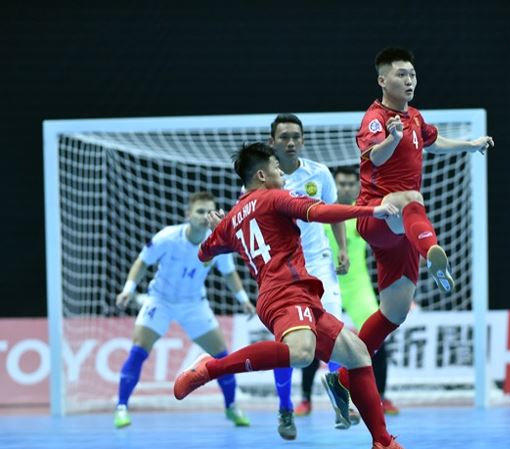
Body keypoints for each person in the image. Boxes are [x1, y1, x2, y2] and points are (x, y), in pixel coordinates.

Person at [173, 142, 404, 449]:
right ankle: (211, 368)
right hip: (285, 293)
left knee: (358, 354)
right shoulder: (274, 197)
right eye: (276, 168)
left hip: (296, 294)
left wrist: (225, 229)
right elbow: (319, 211)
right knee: (302, 353)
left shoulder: (233, 217)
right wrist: (370, 210)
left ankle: (383, 442)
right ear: (261, 175)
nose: (282, 173)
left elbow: (204, 253)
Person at [324, 47, 494, 413]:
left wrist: (470, 145)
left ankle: (342, 379)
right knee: (410, 197)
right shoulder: (375, 118)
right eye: (401, 74)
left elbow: (435, 142)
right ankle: (432, 251)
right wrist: (393, 138)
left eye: (413, 74)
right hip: (376, 214)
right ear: (382, 80)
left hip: (401, 232)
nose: (409, 80)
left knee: (394, 313)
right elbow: (374, 157)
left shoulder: (414, 116)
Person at [114, 191, 255, 429]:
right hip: (160, 301)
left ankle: (232, 407)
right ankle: (121, 407)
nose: (205, 216)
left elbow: (229, 273)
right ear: (188, 214)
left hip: (194, 304)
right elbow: (142, 262)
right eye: (200, 211)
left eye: (209, 211)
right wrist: (129, 289)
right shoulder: (168, 237)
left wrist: (243, 299)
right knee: (138, 351)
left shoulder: (217, 241)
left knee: (223, 356)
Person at [267, 113, 356, 438]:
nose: (291, 142)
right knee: (285, 344)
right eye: (284, 137)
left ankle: (340, 401)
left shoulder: (319, 173)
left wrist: (342, 248)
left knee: (334, 329)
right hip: (281, 270)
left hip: (318, 262)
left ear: (302, 140)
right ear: (272, 142)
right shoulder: (263, 180)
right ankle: (285, 408)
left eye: (296, 137)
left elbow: (333, 212)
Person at [295, 166, 398, 417]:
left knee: (378, 340)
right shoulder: (319, 213)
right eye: (341, 183)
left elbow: (388, 242)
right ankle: (306, 398)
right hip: (324, 284)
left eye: (351, 184)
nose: (346, 188)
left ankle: (382, 396)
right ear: (333, 185)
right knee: (314, 340)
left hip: (357, 287)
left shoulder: (364, 214)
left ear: (358, 187)